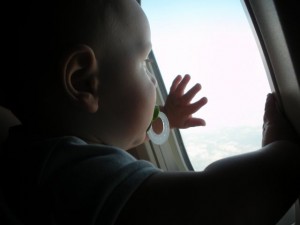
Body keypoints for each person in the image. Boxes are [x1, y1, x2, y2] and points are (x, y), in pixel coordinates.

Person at [1, 0, 299, 224]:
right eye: (144, 62)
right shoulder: (71, 178)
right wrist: (283, 153)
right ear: (83, 81)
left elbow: (123, 137)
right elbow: (218, 206)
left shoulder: (30, 157)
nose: (154, 79)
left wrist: (165, 118)